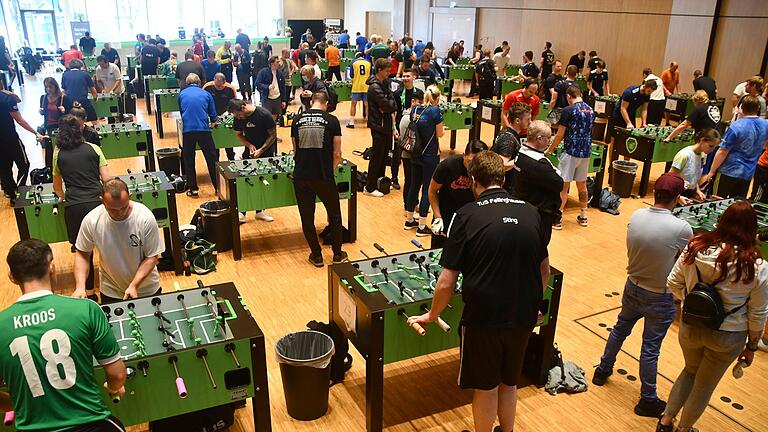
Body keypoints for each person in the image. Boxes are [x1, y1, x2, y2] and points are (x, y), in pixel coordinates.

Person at [408, 150, 549, 432]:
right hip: (523, 316)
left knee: (485, 388)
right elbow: (543, 270)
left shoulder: (466, 215)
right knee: (509, 382)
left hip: (484, 319)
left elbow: (447, 281)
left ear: (473, 181)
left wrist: (433, 315)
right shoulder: (532, 213)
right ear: (503, 177)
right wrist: (532, 303)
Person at [659, 201, 768, 432]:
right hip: (728, 337)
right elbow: (758, 313)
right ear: (752, 229)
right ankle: (684, 429)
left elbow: (672, 283)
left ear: (722, 221)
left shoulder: (695, 247)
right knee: (704, 384)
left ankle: (665, 421)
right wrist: (752, 346)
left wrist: (689, 301)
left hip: (690, 327)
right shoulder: (758, 266)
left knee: (689, 370)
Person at [592, 173, 692, 419]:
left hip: (632, 286)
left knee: (619, 329)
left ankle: (602, 371)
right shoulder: (682, 228)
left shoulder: (636, 215)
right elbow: (686, 262)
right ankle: (647, 399)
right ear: (677, 198)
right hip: (660, 295)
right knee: (650, 348)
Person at [0, 239, 128, 432]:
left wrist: (18, 403)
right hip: (92, 425)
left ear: (11, 276)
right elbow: (117, 374)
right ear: (52, 267)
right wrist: (113, 388)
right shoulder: (86, 309)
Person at [74, 178, 164, 303]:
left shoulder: (145, 218)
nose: (119, 213)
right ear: (102, 201)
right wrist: (80, 286)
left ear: (130, 196)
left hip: (146, 289)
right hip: (111, 290)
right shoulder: (92, 220)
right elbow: (83, 254)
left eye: (123, 207)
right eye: (113, 210)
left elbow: (152, 257)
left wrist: (134, 285)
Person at [52, 114, 110, 302]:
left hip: (74, 206)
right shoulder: (93, 148)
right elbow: (107, 180)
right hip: (97, 204)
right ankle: (113, 285)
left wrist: (63, 197)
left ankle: (90, 293)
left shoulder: (58, 153)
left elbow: (57, 188)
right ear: (80, 129)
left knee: (84, 252)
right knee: (107, 245)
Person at [289, 92, 349, 267]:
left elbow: (295, 150)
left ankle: (316, 255)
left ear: (312, 101)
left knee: (307, 217)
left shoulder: (297, 119)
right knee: (335, 215)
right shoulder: (332, 120)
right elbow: (337, 153)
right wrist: (328, 172)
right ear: (326, 103)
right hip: (323, 176)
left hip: (301, 176)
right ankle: (337, 254)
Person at [506, 119, 563, 245]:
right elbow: (559, 183)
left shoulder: (520, 153)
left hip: (524, 210)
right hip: (539, 216)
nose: (550, 141)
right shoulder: (539, 164)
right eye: (548, 137)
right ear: (539, 138)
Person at [546, 86, 595, 228]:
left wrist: (549, 149)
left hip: (570, 153)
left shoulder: (568, 110)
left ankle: (558, 219)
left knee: (563, 186)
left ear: (569, 96)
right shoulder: (591, 110)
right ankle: (584, 216)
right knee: (582, 186)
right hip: (585, 153)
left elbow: (560, 134)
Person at [703, 96, 768, 198]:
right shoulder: (766, 125)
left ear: (741, 107)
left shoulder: (736, 126)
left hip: (728, 172)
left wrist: (711, 171)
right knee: (737, 205)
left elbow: (722, 151)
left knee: (716, 202)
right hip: (748, 174)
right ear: (758, 108)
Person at [428, 140, 488, 248]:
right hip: (446, 216)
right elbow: (432, 191)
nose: (473, 167)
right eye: (470, 161)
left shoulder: (484, 171)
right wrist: (438, 217)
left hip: (470, 219)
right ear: (464, 155)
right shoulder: (448, 166)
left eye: (478, 163)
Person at [405, 85, 445, 233]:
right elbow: (439, 134)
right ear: (437, 98)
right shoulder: (435, 111)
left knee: (414, 185)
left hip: (415, 153)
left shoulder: (415, 109)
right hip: (430, 155)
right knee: (428, 189)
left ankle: (409, 220)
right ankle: (422, 226)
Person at [178, 73, 219, 197]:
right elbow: (213, 114)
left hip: (188, 130)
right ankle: (218, 188)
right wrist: (212, 122)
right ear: (199, 83)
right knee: (212, 159)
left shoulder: (181, 94)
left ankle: (193, 189)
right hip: (204, 130)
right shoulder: (206, 94)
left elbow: (182, 111)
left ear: (187, 83)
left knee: (189, 160)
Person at [365, 58, 398, 197]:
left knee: (384, 156)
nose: (389, 73)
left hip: (386, 126)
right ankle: (370, 187)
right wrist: (389, 106)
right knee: (377, 157)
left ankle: (379, 182)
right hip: (378, 126)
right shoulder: (374, 87)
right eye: (386, 71)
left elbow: (393, 104)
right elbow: (388, 105)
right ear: (379, 70)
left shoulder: (384, 83)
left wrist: (389, 105)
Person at [0, 89, 41, 198]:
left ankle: (9, 190)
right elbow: (20, 120)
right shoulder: (7, 98)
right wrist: (36, 133)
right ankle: (20, 189)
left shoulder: (8, 97)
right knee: (24, 164)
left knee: (4, 166)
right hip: (10, 138)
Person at [669, 129, 721, 203]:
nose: (712, 150)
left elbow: (694, 175)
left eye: (714, 148)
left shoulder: (703, 155)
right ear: (702, 140)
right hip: (676, 193)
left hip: (688, 193)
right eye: (710, 146)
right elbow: (670, 179)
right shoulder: (684, 155)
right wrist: (678, 197)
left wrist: (697, 190)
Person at [38, 78, 73, 167]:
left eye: (50, 87)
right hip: (49, 126)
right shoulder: (43, 98)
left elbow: (71, 115)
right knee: (50, 149)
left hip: (61, 127)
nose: (48, 89)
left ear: (55, 86)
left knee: (62, 148)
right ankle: (49, 169)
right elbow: (44, 112)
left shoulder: (63, 98)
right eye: (46, 87)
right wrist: (41, 112)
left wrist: (65, 111)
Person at [255, 56, 286, 120]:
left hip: (277, 98)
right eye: (277, 62)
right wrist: (267, 87)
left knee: (275, 116)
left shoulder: (280, 73)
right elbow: (257, 83)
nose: (279, 64)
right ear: (272, 64)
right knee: (266, 117)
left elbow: (283, 87)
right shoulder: (263, 72)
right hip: (267, 99)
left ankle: (273, 128)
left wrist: (283, 100)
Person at [348, 52, 371, 128]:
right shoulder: (368, 62)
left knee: (353, 104)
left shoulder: (353, 62)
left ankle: (351, 122)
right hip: (366, 86)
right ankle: (369, 122)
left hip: (356, 86)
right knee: (367, 104)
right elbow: (371, 74)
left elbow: (351, 75)